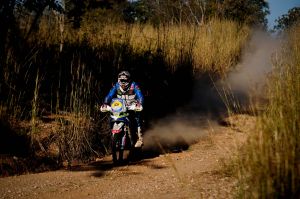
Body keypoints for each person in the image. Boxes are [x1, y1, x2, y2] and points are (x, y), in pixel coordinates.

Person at [102, 70, 144, 148]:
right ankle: (114, 137)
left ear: (129, 80)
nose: (123, 82)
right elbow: (110, 95)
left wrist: (139, 104)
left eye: (125, 80)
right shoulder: (116, 86)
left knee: (137, 119)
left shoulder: (134, 85)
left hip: (132, 107)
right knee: (112, 118)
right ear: (119, 79)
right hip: (120, 108)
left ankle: (139, 139)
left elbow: (140, 95)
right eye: (122, 80)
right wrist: (105, 103)